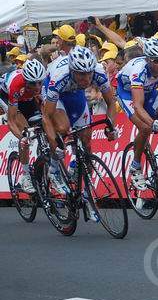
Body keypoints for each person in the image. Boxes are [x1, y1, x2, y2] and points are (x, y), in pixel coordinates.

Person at [43, 46, 117, 197]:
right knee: (63, 127)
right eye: (82, 75)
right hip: (57, 94)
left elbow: (110, 102)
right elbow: (47, 116)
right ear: (72, 70)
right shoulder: (59, 77)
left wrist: (111, 126)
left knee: (87, 143)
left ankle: (87, 194)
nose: (87, 79)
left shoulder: (98, 72)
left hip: (75, 92)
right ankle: (54, 170)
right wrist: (54, 142)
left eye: (89, 74)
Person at [116, 38, 158, 190]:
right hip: (127, 93)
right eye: (156, 61)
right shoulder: (139, 71)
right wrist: (151, 122)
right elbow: (137, 105)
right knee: (145, 127)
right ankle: (135, 165)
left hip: (149, 91)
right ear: (148, 60)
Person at [2, 58, 47, 194]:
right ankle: (25, 176)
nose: (38, 87)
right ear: (27, 80)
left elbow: (45, 111)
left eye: (40, 82)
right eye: (34, 83)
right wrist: (21, 137)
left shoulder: (40, 83)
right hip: (6, 95)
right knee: (25, 131)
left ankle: (44, 163)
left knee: (42, 124)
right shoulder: (16, 84)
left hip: (26, 98)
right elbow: (12, 120)